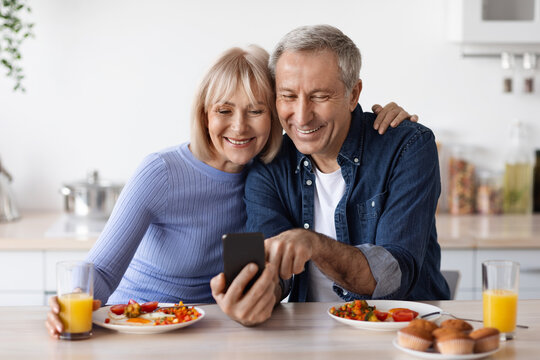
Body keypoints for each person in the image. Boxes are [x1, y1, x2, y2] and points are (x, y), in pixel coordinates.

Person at [45, 44, 415, 337]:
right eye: (224, 109)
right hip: (137, 326)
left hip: (210, 329)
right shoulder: (161, 172)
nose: (239, 127)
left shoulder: (272, 174)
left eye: (255, 111)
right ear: (204, 113)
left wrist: (377, 121)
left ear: (274, 114)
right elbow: (102, 269)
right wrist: (70, 303)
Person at [212, 25, 449, 326]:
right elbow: (275, 272)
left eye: (319, 96)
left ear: (353, 94)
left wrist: (313, 243)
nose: (301, 116)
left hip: (404, 332)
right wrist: (254, 296)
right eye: (287, 96)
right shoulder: (269, 164)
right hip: (308, 335)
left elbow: (394, 275)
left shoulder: (407, 147)